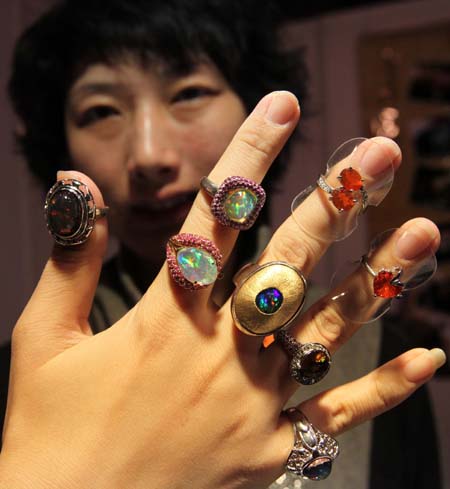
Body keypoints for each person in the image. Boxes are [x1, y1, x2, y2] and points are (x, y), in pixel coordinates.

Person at [0, 1, 445, 488]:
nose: (149, 155)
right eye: (101, 110)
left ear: (251, 103)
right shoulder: (21, 387)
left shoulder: (380, 352)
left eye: (189, 93)